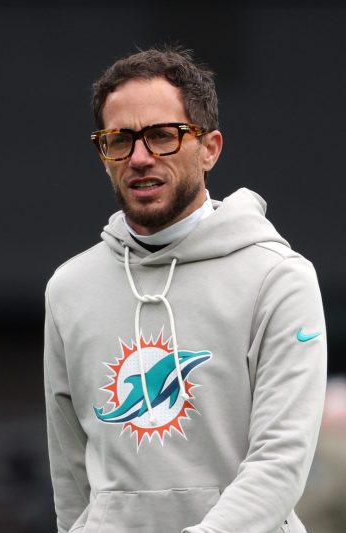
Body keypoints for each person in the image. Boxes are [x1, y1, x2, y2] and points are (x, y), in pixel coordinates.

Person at [43, 46, 327, 533]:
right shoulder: (69, 288)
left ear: (210, 148)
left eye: (161, 136)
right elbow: (70, 474)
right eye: (119, 140)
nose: (139, 158)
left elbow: (280, 462)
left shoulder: (279, 278)